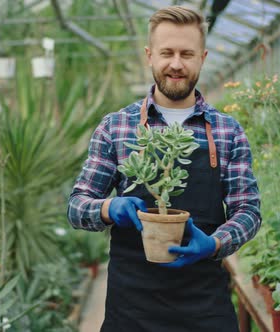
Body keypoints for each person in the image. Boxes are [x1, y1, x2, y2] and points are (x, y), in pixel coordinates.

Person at [67, 5, 261, 332]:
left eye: (187, 53)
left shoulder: (228, 131)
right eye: (166, 52)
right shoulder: (117, 127)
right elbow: (76, 205)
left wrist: (214, 244)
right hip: (131, 311)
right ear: (149, 55)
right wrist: (108, 208)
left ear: (203, 57)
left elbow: (249, 210)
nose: (176, 64)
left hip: (205, 308)